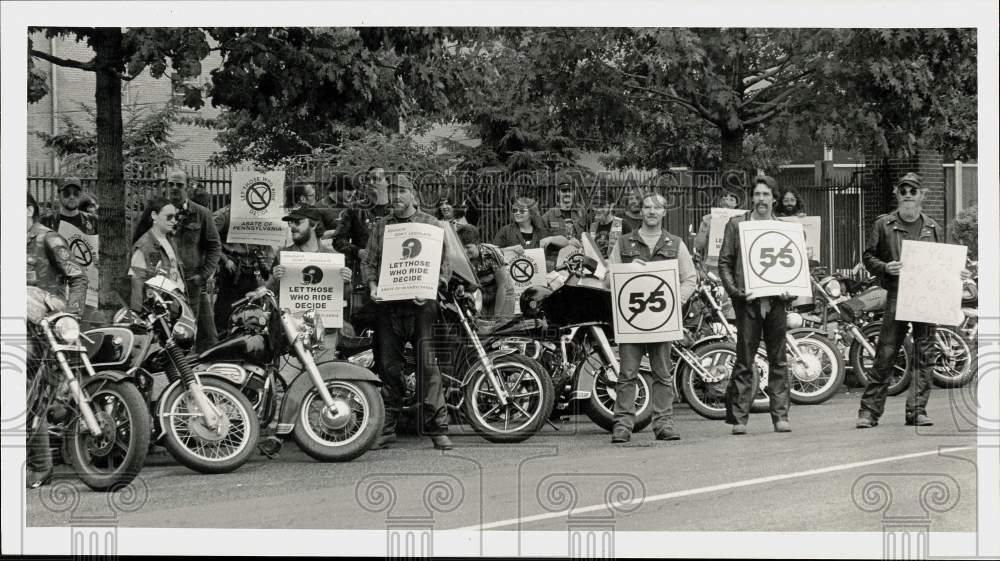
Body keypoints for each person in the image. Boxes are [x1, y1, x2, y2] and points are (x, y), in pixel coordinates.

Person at [856, 172, 970, 429]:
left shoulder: (933, 227)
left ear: (922, 195)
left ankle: (917, 410)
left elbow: (944, 262)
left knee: (924, 354)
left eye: (913, 191)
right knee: (885, 353)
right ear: (897, 193)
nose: (908, 195)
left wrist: (958, 273)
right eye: (904, 190)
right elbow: (868, 257)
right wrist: (886, 267)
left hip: (927, 297)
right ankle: (869, 412)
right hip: (897, 295)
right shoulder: (883, 225)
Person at [362, 174, 453, 451]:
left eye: (401, 192)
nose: (396, 197)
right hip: (389, 305)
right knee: (388, 365)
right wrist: (372, 284)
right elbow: (370, 259)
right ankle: (387, 428)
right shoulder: (381, 226)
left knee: (427, 364)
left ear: (413, 195)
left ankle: (437, 428)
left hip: (421, 305)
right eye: (391, 192)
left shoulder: (431, 224)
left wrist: (432, 285)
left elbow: (444, 264)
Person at [607, 192, 697, 443]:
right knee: (627, 374)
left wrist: (673, 303)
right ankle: (623, 425)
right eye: (647, 207)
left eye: (657, 208)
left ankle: (664, 424)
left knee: (663, 373)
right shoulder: (624, 243)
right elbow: (608, 280)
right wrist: (626, 270)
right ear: (641, 211)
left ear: (664, 212)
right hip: (632, 320)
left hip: (661, 320)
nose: (651, 212)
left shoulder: (676, 243)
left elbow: (690, 279)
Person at [718, 175, 794, 435]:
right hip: (747, 302)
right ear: (752, 197)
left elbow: (794, 268)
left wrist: (790, 290)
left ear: (775, 198)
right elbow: (725, 263)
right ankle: (739, 419)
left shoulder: (785, 228)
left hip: (777, 302)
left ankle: (780, 416)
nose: (762, 199)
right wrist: (737, 293)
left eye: (766, 194)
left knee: (779, 360)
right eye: (757, 194)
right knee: (744, 360)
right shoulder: (737, 224)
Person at [25, 193, 89, 489]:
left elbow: (78, 276)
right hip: (19, 324)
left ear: (29, 210)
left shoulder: (48, 239)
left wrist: (71, 316)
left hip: (48, 326)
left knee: (34, 391)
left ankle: (41, 465)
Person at [265, 206, 352, 350]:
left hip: (326, 332)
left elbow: (344, 296)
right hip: (291, 334)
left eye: (297, 222)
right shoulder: (283, 255)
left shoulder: (333, 258)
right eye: (290, 223)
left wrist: (346, 281)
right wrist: (274, 278)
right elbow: (268, 293)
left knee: (324, 371)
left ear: (315, 224)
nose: (292, 227)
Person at [163, 168, 221, 352]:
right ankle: (183, 371)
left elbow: (214, 246)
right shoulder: (156, 213)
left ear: (187, 187)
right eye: (170, 184)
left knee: (188, 333)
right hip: (165, 282)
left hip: (191, 281)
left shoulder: (201, 214)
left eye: (179, 185)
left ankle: (195, 371)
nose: (174, 188)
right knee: (176, 331)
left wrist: (203, 275)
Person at [212, 203, 275, 336]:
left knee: (253, 303)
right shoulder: (223, 215)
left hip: (250, 267)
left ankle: (252, 334)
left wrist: (264, 263)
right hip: (231, 268)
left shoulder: (255, 215)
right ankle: (222, 336)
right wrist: (225, 259)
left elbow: (261, 242)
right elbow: (211, 241)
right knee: (226, 307)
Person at [128, 196, 186, 311]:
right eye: (169, 217)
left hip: (177, 305)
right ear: (154, 215)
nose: (174, 221)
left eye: (175, 217)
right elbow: (137, 285)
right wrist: (137, 316)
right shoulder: (144, 246)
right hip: (159, 311)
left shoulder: (170, 240)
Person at [493, 196, 577, 271]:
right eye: (515, 210)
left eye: (522, 211)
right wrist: (511, 249)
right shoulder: (506, 231)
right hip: (514, 277)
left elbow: (564, 242)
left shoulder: (540, 232)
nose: (517, 213)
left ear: (531, 213)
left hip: (537, 278)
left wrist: (551, 239)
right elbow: (492, 253)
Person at [457, 225, 513, 319]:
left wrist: (497, 315)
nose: (464, 251)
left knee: (501, 326)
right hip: (480, 295)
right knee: (480, 327)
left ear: (477, 244)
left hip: (502, 291)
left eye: (468, 247)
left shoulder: (492, 252)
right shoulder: (458, 258)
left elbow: (502, 285)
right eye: (461, 247)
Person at [574, 190, 632, 259]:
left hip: (616, 268)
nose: (598, 209)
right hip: (597, 268)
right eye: (595, 205)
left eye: (602, 205)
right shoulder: (592, 227)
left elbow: (631, 252)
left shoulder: (623, 225)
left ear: (612, 206)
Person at [693, 190, 740, 258]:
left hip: (733, 265)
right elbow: (698, 246)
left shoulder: (741, 220)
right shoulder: (709, 219)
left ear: (736, 204)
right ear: (720, 202)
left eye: (731, 200)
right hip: (712, 265)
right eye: (724, 199)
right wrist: (705, 227)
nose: (727, 203)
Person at [541, 175, 586, 240]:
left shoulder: (582, 212)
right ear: (558, 192)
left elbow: (588, 236)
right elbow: (543, 240)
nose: (567, 194)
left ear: (574, 193)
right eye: (564, 191)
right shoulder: (548, 216)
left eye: (570, 191)